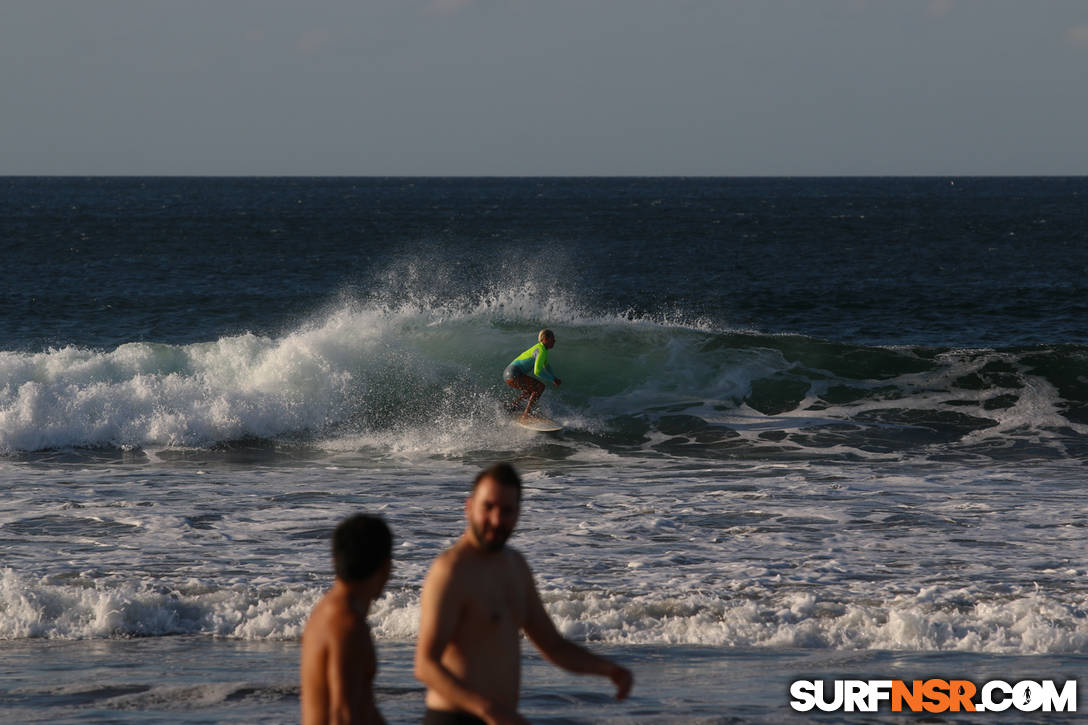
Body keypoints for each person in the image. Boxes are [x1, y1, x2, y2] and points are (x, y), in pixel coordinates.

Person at [414, 463, 633, 725]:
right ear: (469, 507)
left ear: (518, 514)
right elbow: (425, 665)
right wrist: (489, 711)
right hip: (455, 718)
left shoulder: (515, 567)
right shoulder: (451, 571)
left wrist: (608, 669)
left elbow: (553, 645)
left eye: (507, 511)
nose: (496, 520)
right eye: (488, 507)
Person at [301, 513, 393, 725]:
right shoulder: (347, 625)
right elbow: (343, 715)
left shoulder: (325, 610)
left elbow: (362, 707)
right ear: (386, 568)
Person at [503, 329, 562, 422]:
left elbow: (546, 365)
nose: (554, 341)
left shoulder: (542, 349)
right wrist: (552, 379)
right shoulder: (541, 350)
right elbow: (537, 371)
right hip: (513, 373)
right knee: (539, 387)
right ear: (545, 339)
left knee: (530, 389)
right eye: (552, 339)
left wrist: (554, 377)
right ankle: (526, 415)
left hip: (509, 373)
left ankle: (513, 406)